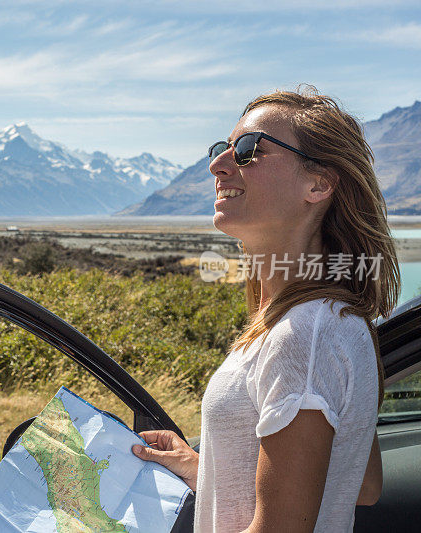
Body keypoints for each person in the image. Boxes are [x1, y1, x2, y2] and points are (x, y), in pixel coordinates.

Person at [131, 86, 399, 532]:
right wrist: (202, 467)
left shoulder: (304, 335)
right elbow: (358, 482)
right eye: (221, 149)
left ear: (318, 184)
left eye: (249, 150)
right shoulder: (328, 323)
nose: (218, 164)